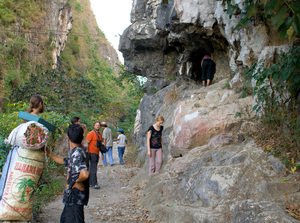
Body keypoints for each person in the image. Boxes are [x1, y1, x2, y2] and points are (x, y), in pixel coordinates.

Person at [46, 124, 89, 223]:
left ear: (68, 138)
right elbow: (65, 161)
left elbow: (84, 174)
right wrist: (49, 154)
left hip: (75, 198)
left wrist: (77, 182)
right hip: (71, 197)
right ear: (82, 137)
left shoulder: (77, 153)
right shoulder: (77, 152)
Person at [86, 121, 102, 189]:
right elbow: (87, 143)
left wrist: (102, 154)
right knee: (93, 168)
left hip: (96, 152)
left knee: (93, 168)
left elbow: (100, 145)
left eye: (98, 125)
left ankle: (90, 182)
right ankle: (94, 183)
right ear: (94, 126)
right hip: (90, 152)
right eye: (96, 125)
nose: (97, 126)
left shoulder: (100, 134)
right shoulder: (91, 133)